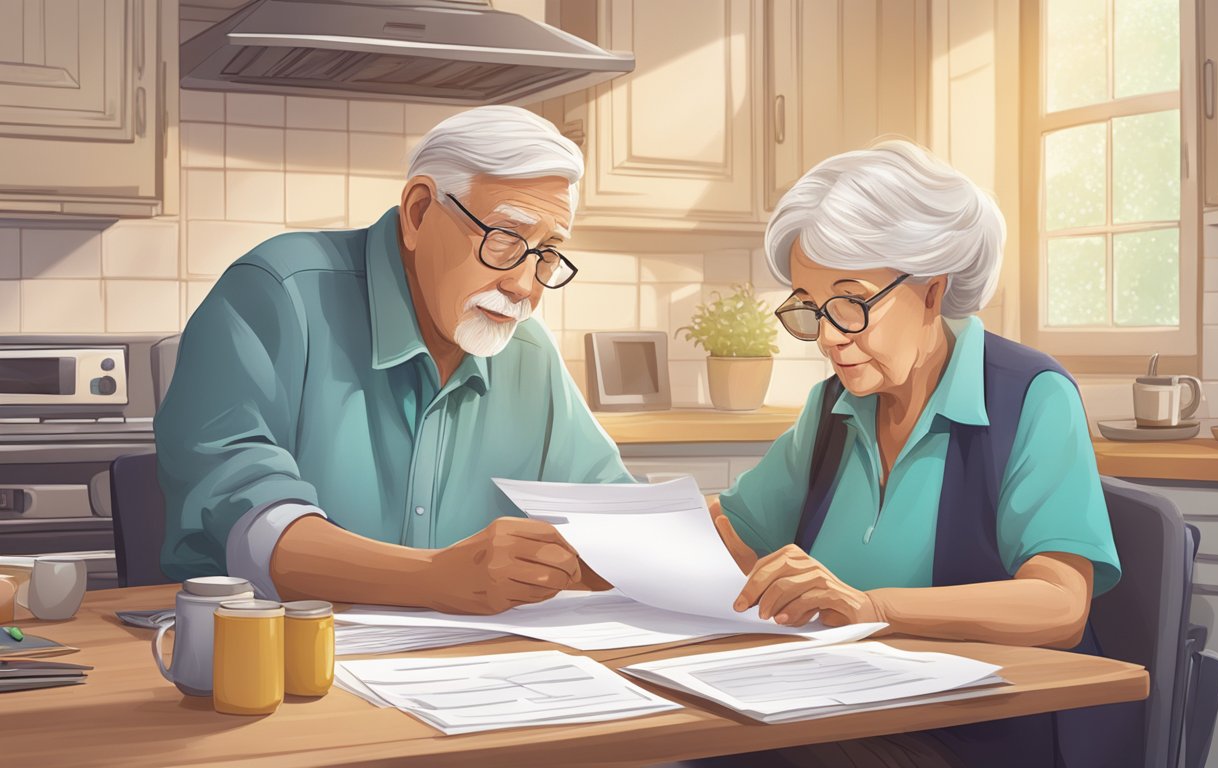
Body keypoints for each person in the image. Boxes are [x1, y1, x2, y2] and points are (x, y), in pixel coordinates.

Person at [704, 140, 1122, 767]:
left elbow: (1060, 602)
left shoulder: (1030, 397)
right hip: (836, 709)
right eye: (812, 310)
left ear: (933, 291)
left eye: (850, 305)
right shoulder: (833, 409)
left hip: (976, 728)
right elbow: (734, 532)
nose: (828, 338)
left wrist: (871, 608)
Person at [155, 106, 630, 611]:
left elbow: (608, 508)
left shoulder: (528, 350)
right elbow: (252, 526)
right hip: (262, 658)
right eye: (505, 239)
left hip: (466, 663)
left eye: (547, 253)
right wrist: (434, 578)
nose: (523, 285)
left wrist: (673, 539)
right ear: (420, 211)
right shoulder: (277, 294)